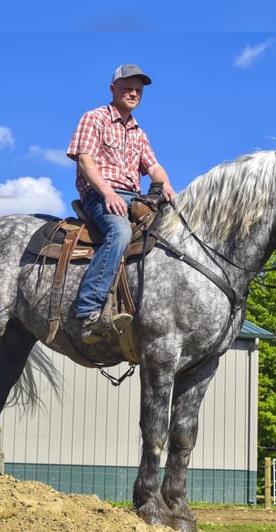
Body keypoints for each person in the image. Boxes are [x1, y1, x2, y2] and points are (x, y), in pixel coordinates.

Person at [67, 63, 176, 344]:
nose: (133, 93)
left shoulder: (139, 132)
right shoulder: (95, 118)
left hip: (135, 199)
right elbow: (84, 160)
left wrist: (169, 188)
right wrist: (107, 193)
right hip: (100, 195)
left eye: (138, 90)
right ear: (112, 88)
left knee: (171, 236)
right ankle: (89, 311)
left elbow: (154, 168)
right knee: (120, 233)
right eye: (127, 87)